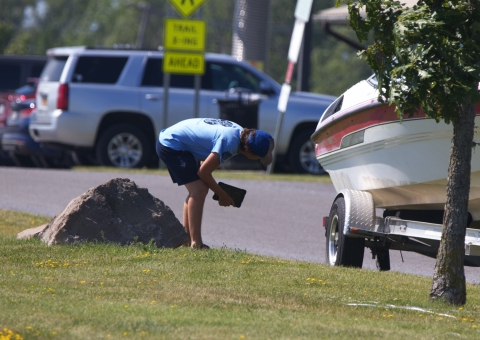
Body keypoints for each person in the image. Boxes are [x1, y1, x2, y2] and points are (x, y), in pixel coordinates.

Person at [156, 118, 275, 249]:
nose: (258, 159)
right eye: (259, 156)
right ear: (250, 152)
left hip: (174, 140)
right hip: (171, 144)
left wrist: (221, 193)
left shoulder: (240, 132)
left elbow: (206, 157)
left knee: (197, 190)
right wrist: (223, 196)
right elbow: (204, 173)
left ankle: (187, 240)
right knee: (199, 190)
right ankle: (196, 244)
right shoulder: (231, 142)